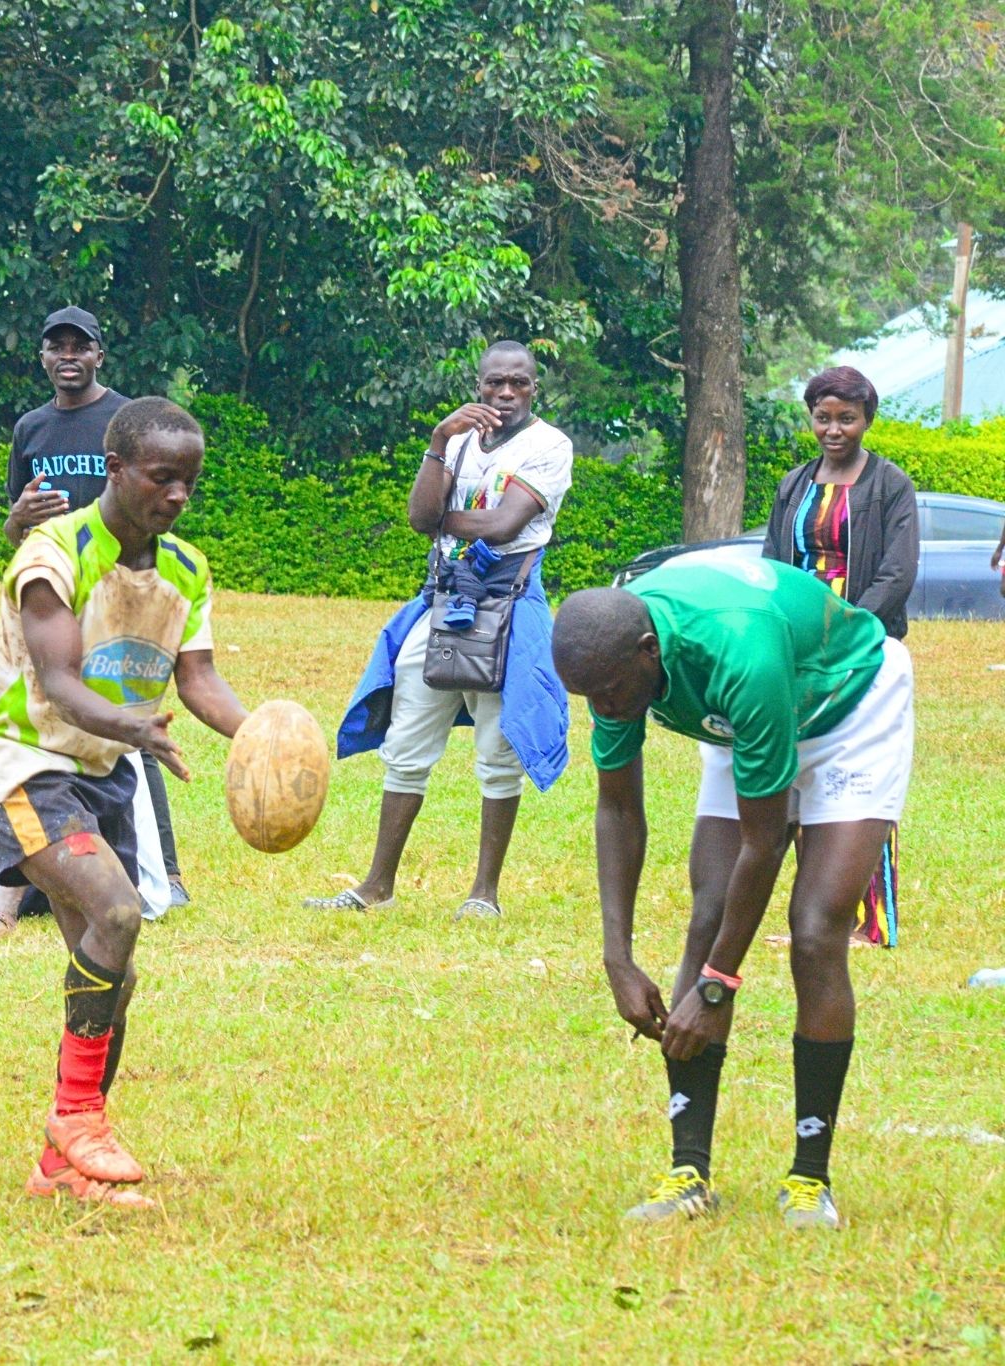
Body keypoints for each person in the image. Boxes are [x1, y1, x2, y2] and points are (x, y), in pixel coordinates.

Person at [553, 560, 914, 1230]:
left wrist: (719, 985)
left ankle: (810, 1177)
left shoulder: (736, 649)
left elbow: (764, 843)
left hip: (846, 707)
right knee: (709, 911)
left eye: (609, 693)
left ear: (649, 652)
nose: (604, 710)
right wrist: (617, 957)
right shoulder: (612, 657)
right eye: (589, 699)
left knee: (815, 928)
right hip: (739, 721)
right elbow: (618, 810)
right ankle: (688, 1172)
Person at [0, 396, 250, 1208]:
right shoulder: (55, 552)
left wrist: (260, 733)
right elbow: (56, 681)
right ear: (116, 468)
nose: (177, 496)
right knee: (118, 916)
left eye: (190, 483)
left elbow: (196, 679)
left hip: (102, 774)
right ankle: (77, 1119)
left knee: (112, 974)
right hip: (24, 766)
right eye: (163, 478)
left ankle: (64, 1165)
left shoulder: (185, 570)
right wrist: (131, 723)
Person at [327, 341, 573, 919]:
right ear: (479, 384)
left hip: (508, 601)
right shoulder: (457, 441)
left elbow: (504, 524)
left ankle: (483, 894)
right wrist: (438, 445)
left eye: (518, 384)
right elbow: (419, 516)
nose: (505, 394)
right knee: (407, 740)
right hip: (445, 600)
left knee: (497, 744)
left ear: (534, 388)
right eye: (494, 384)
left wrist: (437, 518)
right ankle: (376, 886)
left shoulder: (550, 445)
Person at [4, 306, 188, 910]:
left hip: (122, 590)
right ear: (43, 357)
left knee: (131, 727)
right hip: (56, 591)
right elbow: (16, 525)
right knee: (50, 720)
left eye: (79, 347)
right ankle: (64, 862)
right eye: (56, 347)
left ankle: (167, 875)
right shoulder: (31, 427)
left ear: (99, 356)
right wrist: (17, 522)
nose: (68, 357)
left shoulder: (126, 421)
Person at [761, 365, 918, 947]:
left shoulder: (889, 484)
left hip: (863, 652)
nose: (834, 429)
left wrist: (849, 633)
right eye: (823, 417)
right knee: (801, 781)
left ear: (866, 420)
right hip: (798, 652)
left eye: (846, 418)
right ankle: (816, 916)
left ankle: (870, 923)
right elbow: (775, 565)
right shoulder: (795, 483)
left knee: (859, 782)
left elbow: (898, 572)